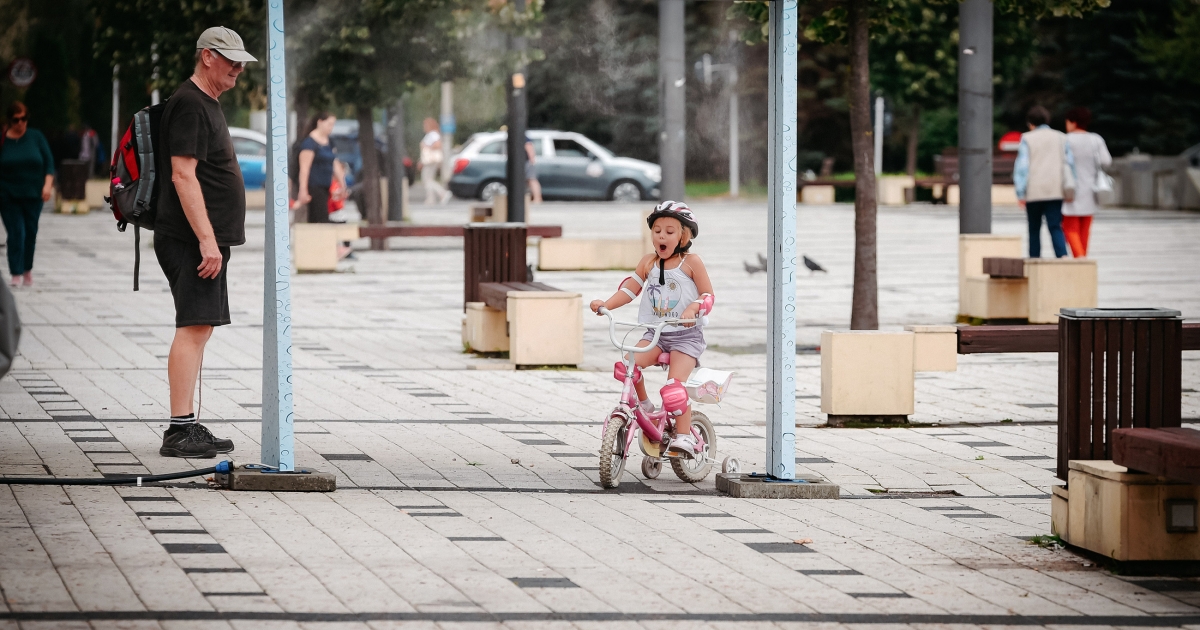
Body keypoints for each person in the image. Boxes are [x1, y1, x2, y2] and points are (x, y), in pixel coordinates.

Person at [153, 26, 257, 458]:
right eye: (230, 59)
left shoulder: (204, 102)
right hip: (190, 240)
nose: (237, 68)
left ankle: (188, 423)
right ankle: (179, 430)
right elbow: (183, 175)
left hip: (198, 239)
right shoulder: (192, 103)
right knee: (193, 327)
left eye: (241, 62)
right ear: (207, 56)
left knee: (200, 327)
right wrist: (207, 240)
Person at [588, 201, 715, 456]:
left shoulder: (692, 262)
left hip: (685, 338)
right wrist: (606, 305)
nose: (661, 236)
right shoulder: (648, 262)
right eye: (657, 231)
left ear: (683, 236)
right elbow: (630, 289)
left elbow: (708, 295)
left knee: (674, 390)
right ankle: (645, 405)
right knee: (626, 366)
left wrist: (694, 308)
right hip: (655, 334)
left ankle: (684, 436)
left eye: (669, 231)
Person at [0, 102, 55, 287]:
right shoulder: (3, 140)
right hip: (8, 196)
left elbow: (49, 163)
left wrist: (47, 185)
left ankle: (27, 270)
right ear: (10, 120)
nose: (21, 123)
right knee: (16, 232)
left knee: (30, 233)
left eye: (24, 119)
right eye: (16, 120)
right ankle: (15, 272)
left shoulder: (36, 137)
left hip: (33, 195)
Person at [1013, 105, 1076, 259]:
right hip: (1055, 189)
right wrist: (1071, 189)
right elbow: (1070, 164)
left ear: (1030, 123)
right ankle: (1062, 257)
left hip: (1034, 191)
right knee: (1055, 226)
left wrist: (1020, 193)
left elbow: (1022, 167)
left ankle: (1035, 260)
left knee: (1034, 228)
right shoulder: (1061, 137)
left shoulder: (1027, 138)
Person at [1062, 107, 1111, 258]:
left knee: (1070, 227)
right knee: (1085, 229)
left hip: (1070, 189)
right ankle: (1083, 259)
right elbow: (1106, 161)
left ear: (1073, 122)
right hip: (1091, 190)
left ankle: (1080, 259)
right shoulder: (1096, 139)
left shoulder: (1065, 140)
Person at [295, 112, 346, 224]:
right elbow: (304, 168)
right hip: (314, 185)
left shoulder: (329, 142)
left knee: (319, 218)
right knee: (321, 218)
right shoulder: (309, 143)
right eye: (329, 124)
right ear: (320, 122)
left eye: (333, 125)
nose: (331, 128)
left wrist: (342, 184)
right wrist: (303, 189)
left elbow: (334, 163)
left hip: (326, 185)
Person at [419, 117, 452, 205]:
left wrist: (427, 147)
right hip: (429, 160)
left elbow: (438, 145)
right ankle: (431, 198)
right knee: (428, 180)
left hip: (431, 160)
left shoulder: (433, 134)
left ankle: (442, 193)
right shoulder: (431, 134)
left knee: (427, 180)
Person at [525, 135, 543, 204]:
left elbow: (529, 148)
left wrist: (532, 161)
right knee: (529, 181)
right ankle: (533, 197)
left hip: (527, 162)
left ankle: (537, 198)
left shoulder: (523, 138)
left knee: (532, 180)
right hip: (526, 162)